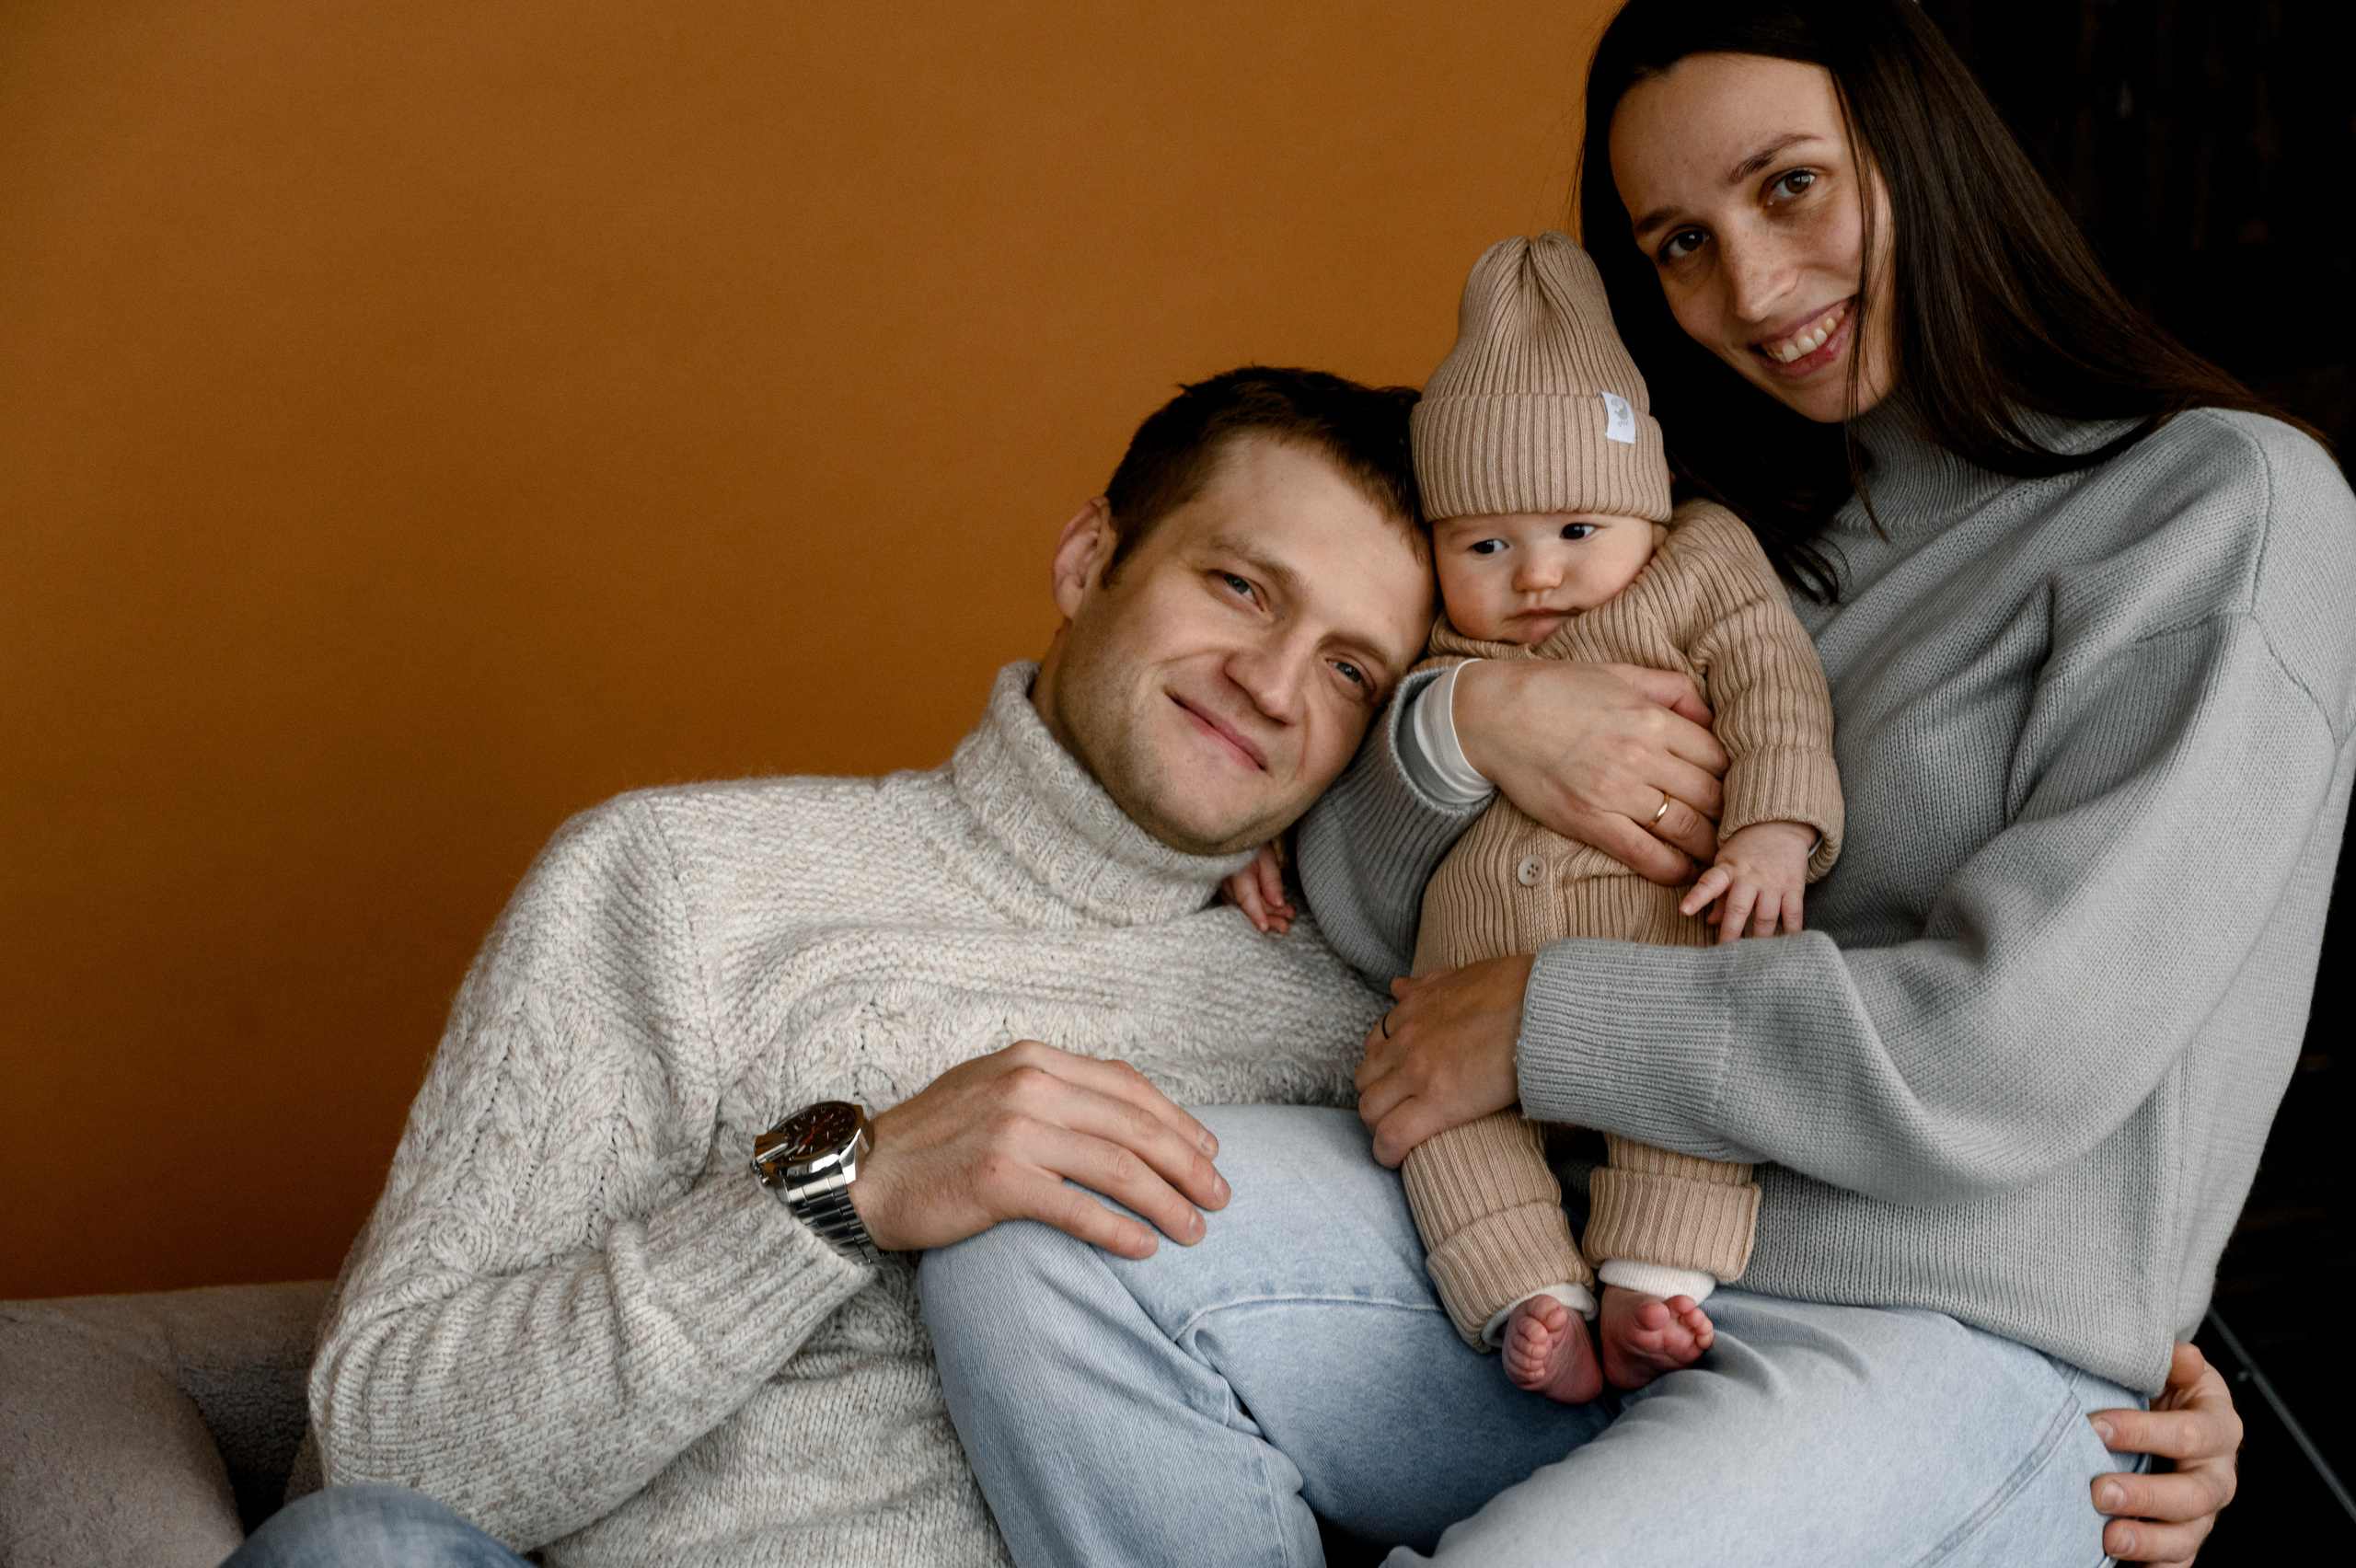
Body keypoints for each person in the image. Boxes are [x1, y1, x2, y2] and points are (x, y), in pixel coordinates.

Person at [917, 2, 2338, 1564]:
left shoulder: (2212, 508)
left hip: (1935, 1333)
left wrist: (1545, 1020)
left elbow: (2022, 1048)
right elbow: (1368, 916)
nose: (1754, 289)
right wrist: (1473, 723)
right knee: (1052, 1230)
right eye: (1680, 244)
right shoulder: (1667, 523)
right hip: (1560, 1275)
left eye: (1790, 186)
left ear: (1923, 147)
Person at [233, 367, 1449, 1565]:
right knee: (356, 1550)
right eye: (1240, 588)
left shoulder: (1368, 1024)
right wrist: (837, 1186)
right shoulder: (677, 881)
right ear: (1090, 558)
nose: (1272, 686)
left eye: (1350, 671)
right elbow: (377, 1450)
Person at [1226, 230, 1843, 1404]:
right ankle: (1528, 1296)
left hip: (1655, 951)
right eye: (1486, 544)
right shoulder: (1439, 633)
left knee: (1680, 1099)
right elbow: (1342, 726)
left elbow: (1775, 684)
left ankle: (1655, 1279)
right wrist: (1267, 824)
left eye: (1576, 531)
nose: (1536, 576)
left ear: (1645, 507)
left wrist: (1775, 828)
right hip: (1456, 989)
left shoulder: (1699, 567)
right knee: (1421, 1109)